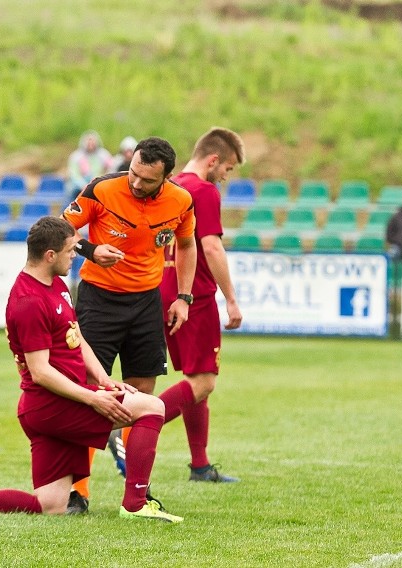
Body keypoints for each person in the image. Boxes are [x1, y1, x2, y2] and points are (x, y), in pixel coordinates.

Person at [0, 216, 182, 523]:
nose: (76, 255)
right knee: (152, 407)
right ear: (50, 255)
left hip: (50, 407)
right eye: (71, 250)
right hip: (53, 406)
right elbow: (41, 372)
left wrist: (103, 380)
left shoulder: (55, 283)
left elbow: (77, 336)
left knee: (51, 505)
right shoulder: (28, 301)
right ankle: (136, 503)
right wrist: (94, 398)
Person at [60, 136, 196, 512]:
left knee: (143, 396)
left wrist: (183, 297)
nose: (136, 183)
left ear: (166, 177)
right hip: (98, 300)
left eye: (147, 180)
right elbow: (58, 229)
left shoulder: (181, 201)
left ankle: (136, 493)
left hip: (146, 303)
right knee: (90, 394)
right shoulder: (102, 189)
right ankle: (78, 492)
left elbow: (186, 245)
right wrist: (90, 249)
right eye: (133, 173)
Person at [155, 127, 245, 483]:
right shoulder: (203, 191)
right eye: (228, 168)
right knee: (205, 381)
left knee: (194, 378)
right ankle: (132, 428)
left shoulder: (170, 185)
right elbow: (210, 247)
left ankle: (200, 465)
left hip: (161, 289)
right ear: (213, 160)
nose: (226, 176)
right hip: (194, 295)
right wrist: (232, 300)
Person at [66, 130, 113, 201]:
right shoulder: (76, 156)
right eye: (88, 141)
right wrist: (84, 185)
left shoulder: (103, 154)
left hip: (98, 182)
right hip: (80, 185)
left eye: (93, 141)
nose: (90, 143)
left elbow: (112, 167)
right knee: (71, 190)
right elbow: (74, 175)